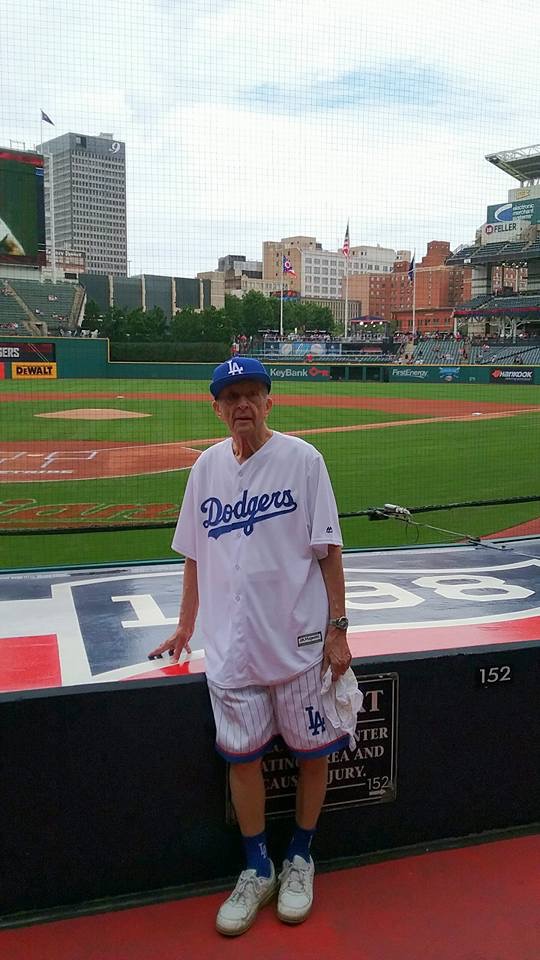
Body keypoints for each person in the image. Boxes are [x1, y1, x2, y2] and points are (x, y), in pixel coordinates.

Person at [149, 356, 352, 937]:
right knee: (242, 759)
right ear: (216, 407)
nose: (241, 404)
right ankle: (257, 866)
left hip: (299, 642)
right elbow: (194, 555)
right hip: (232, 648)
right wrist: (186, 626)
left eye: (251, 393)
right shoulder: (206, 469)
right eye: (230, 395)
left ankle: (300, 858)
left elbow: (330, 550)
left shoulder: (303, 461)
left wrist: (339, 628)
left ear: (270, 402)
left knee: (313, 753)